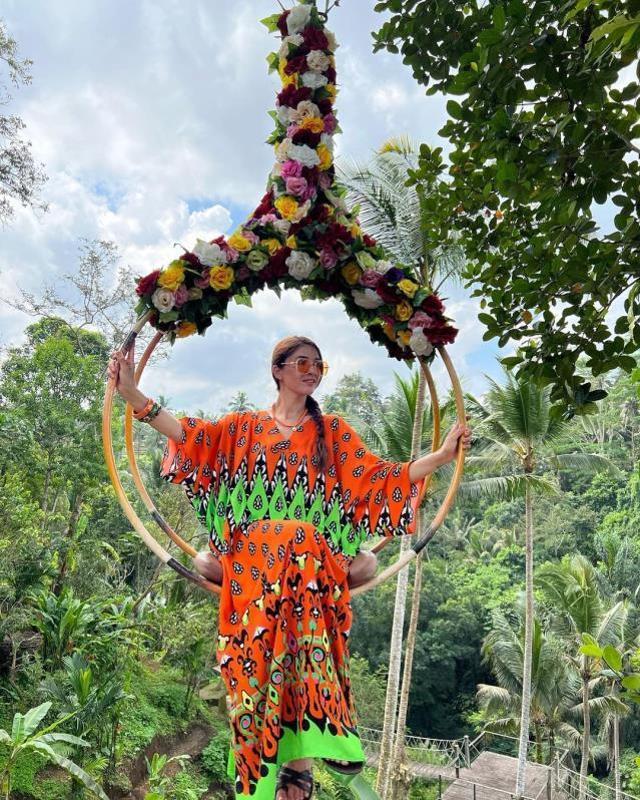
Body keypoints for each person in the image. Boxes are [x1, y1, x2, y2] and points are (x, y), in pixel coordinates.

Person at [108, 335, 471, 800]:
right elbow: (187, 436)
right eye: (302, 362)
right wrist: (134, 396)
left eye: (319, 364)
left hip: (308, 561)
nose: (312, 369)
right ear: (277, 370)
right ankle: (305, 745)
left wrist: (441, 457)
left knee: (325, 550)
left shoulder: (332, 432)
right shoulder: (242, 427)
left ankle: (304, 747)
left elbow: (380, 478)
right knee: (221, 558)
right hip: (255, 557)